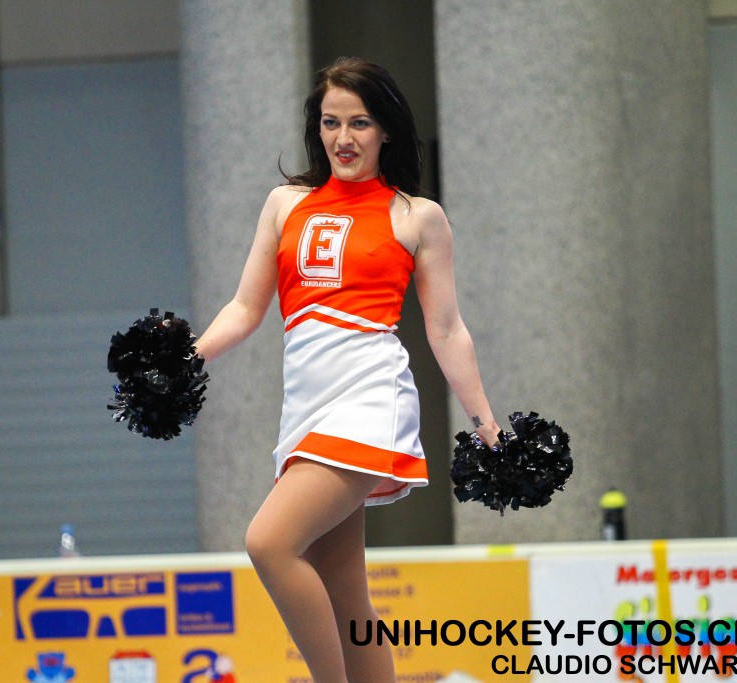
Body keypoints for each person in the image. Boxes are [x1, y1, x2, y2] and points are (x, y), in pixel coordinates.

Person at [194, 57, 500, 683]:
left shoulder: (416, 215)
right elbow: (246, 308)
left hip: (370, 398)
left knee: (269, 543)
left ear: (385, 128)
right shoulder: (285, 204)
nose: (343, 138)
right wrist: (186, 360)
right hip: (306, 408)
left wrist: (487, 425)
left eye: (359, 123)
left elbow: (446, 330)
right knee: (344, 588)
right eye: (331, 122)